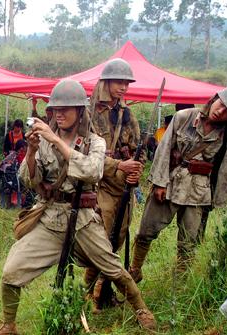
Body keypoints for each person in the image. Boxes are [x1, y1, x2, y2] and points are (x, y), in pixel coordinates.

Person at [0, 79, 156, 335]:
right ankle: (8, 324)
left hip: (82, 218)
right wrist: (32, 152)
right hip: (49, 218)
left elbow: (92, 171)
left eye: (66, 108)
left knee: (113, 268)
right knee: (11, 272)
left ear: (80, 111)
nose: (59, 113)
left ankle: (140, 309)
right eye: (56, 108)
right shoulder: (44, 141)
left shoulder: (95, 143)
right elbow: (29, 180)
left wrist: (56, 142)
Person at [129, 85, 227, 283]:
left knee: (188, 243)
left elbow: (226, 167)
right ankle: (134, 270)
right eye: (221, 104)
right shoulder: (184, 117)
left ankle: (180, 283)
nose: (220, 111)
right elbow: (164, 149)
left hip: (198, 192)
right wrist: (159, 183)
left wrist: (216, 200)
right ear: (215, 99)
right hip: (171, 183)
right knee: (145, 231)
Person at [83, 58, 144, 304]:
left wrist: (136, 169)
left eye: (126, 83)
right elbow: (84, 153)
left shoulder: (127, 115)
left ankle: (102, 288)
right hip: (97, 182)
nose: (123, 88)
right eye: (119, 82)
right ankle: (88, 290)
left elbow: (140, 148)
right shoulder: (86, 113)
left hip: (122, 184)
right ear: (106, 82)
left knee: (118, 236)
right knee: (102, 238)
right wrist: (117, 165)